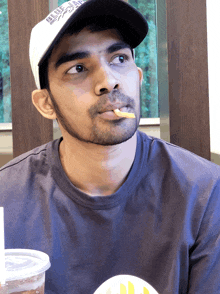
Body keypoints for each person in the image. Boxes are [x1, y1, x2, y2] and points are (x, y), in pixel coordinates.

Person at [1, 0, 220, 293]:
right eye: (78, 68)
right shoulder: (7, 198)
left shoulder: (204, 192)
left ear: (138, 78)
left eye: (119, 59)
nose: (108, 81)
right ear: (46, 103)